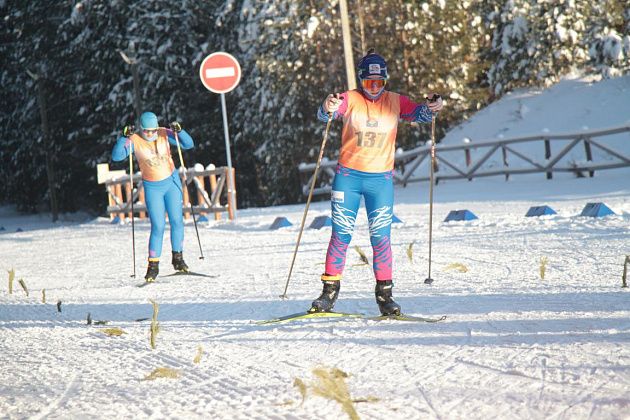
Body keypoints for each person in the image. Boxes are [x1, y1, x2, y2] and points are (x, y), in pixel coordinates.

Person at [310, 49, 444, 315]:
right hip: (348, 178)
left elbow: (421, 114)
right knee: (340, 235)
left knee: (381, 238)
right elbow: (326, 114)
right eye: (369, 83)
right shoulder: (351, 99)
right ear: (361, 80)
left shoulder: (395, 101)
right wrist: (328, 106)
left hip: (380, 181)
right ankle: (328, 294)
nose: (374, 88)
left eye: (379, 82)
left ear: (385, 80)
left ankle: (385, 296)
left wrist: (434, 106)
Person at [112, 111, 195, 282]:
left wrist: (180, 131)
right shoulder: (134, 140)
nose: (150, 134)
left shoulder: (164, 133)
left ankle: (178, 259)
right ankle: (153, 266)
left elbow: (188, 144)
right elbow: (117, 156)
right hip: (153, 187)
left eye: (153, 130)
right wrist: (123, 137)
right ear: (141, 129)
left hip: (172, 183)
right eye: (146, 131)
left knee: (177, 221)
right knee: (158, 226)